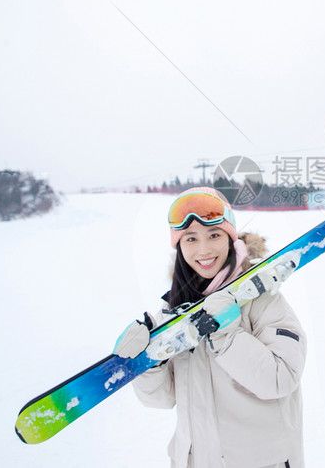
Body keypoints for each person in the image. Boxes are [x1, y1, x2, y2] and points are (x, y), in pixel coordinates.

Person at [113, 187, 307, 468]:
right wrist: (147, 364)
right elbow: (163, 399)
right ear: (179, 247)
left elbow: (281, 378)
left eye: (214, 235)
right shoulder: (176, 310)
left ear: (230, 239)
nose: (204, 250)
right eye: (191, 238)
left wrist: (226, 334)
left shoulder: (262, 300)